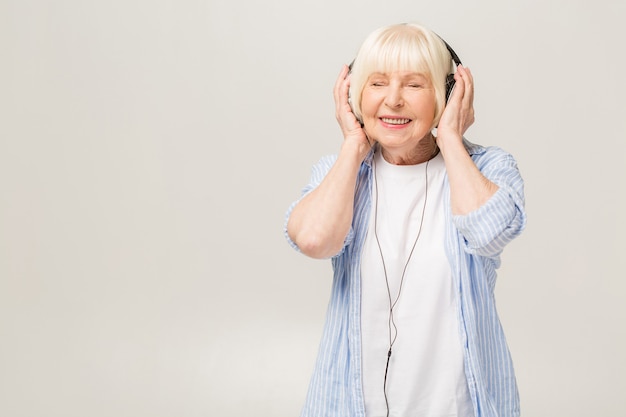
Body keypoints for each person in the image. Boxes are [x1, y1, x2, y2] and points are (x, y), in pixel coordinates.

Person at [284, 22, 526, 417]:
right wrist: (352, 147)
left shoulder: (486, 167)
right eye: (377, 83)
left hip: (455, 405)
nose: (393, 100)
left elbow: (489, 232)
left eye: (414, 85)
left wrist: (449, 138)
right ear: (354, 94)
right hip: (351, 404)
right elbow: (313, 240)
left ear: (447, 96)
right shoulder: (340, 173)